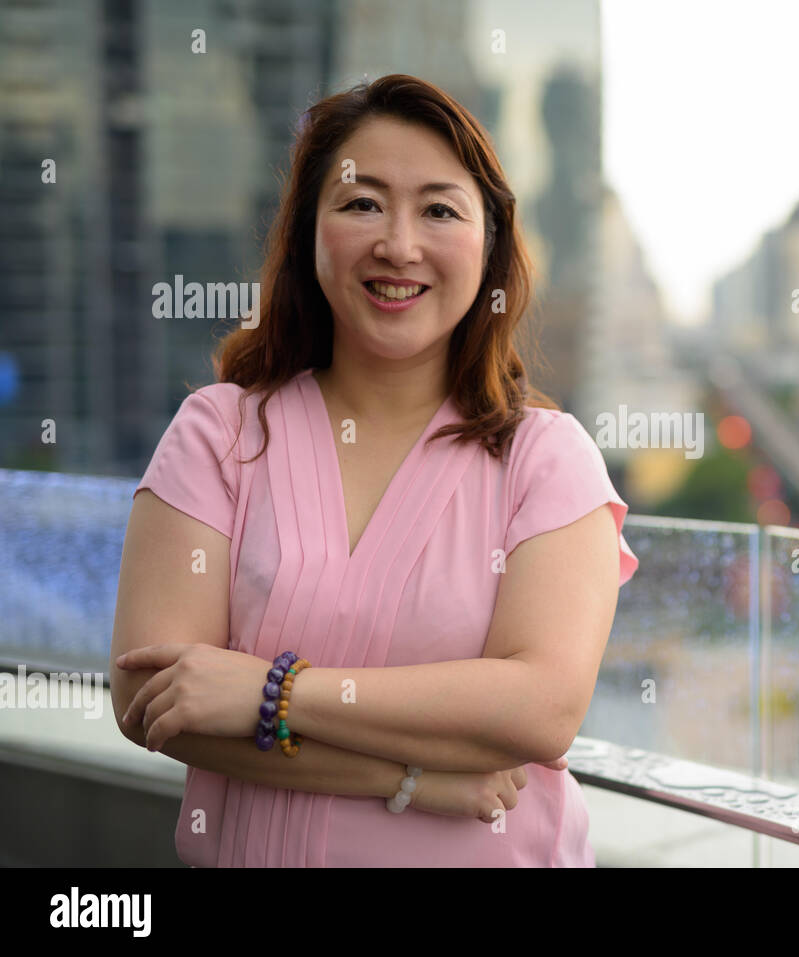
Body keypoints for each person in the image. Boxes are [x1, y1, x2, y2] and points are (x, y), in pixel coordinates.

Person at [108, 74, 638, 866]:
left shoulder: (545, 459)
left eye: (439, 209)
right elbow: (159, 704)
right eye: (362, 203)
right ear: (306, 233)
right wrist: (413, 776)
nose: (399, 243)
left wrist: (267, 692)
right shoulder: (218, 435)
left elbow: (540, 710)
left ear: (489, 244)